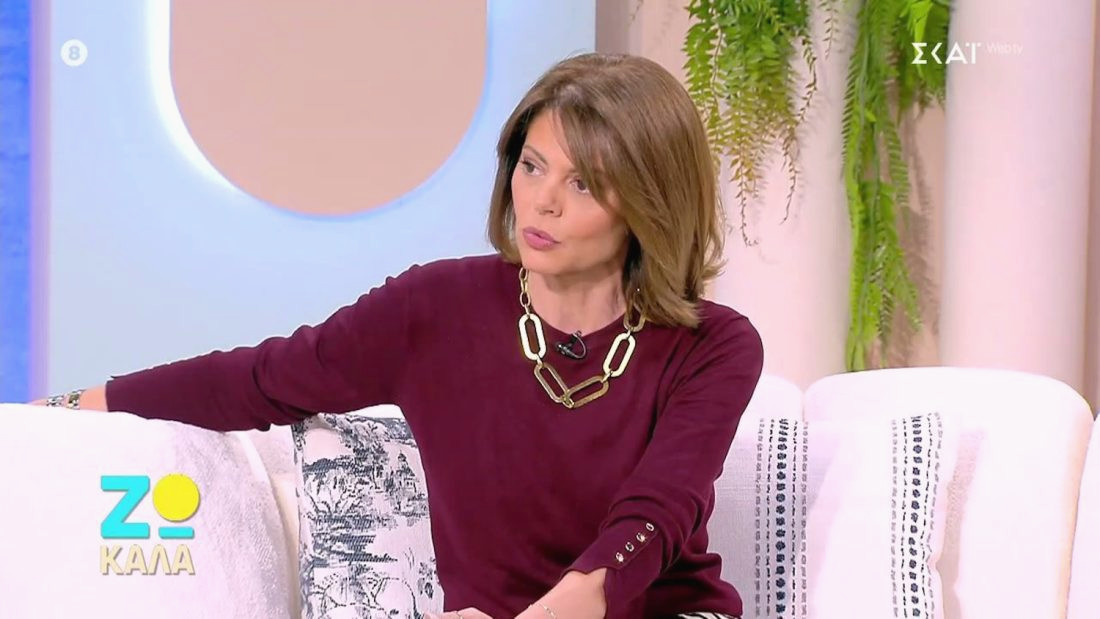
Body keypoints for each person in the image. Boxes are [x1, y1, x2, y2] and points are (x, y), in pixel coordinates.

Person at [34, 53, 763, 619]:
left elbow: (661, 506)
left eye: (583, 184)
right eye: (532, 166)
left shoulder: (715, 345)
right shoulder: (435, 308)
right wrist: (64, 410)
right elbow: (263, 378)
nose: (541, 201)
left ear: (650, 202)